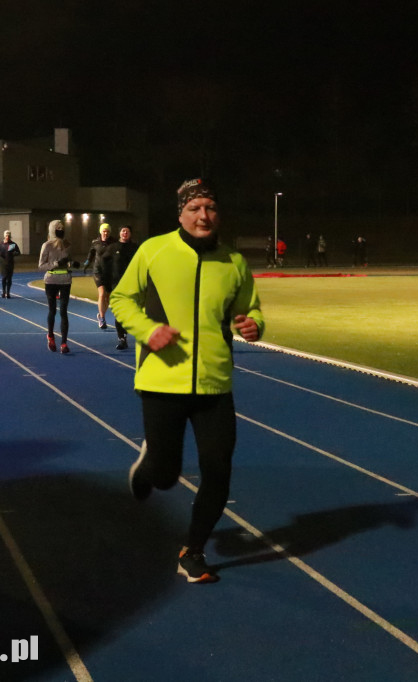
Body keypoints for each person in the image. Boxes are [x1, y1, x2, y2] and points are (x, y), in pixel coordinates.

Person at [111, 178, 264, 584]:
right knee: (165, 475)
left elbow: (251, 308)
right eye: (195, 208)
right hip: (162, 381)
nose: (203, 215)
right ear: (180, 213)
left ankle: (192, 550)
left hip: (215, 385)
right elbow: (121, 299)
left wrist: (254, 325)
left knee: (218, 470)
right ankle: (147, 470)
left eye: (210, 207)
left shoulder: (234, 262)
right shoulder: (153, 250)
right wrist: (147, 331)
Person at [38, 220, 76, 354]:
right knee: (52, 310)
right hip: (51, 280)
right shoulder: (47, 245)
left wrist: (72, 264)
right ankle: (50, 336)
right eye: (58, 228)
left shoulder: (68, 245)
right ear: (52, 230)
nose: (60, 230)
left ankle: (64, 343)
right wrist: (56, 263)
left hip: (65, 280)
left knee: (64, 312)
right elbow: (41, 266)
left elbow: (69, 260)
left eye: (62, 228)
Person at [108, 225, 139, 350]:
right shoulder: (113, 248)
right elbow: (105, 263)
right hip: (117, 285)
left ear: (130, 234)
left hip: (132, 284)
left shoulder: (135, 248)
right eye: (123, 231)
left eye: (127, 231)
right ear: (119, 233)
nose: (125, 233)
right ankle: (122, 338)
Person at [84, 223, 116, 328]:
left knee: (107, 298)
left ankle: (100, 314)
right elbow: (91, 253)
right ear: (100, 231)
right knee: (101, 294)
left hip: (109, 272)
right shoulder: (95, 242)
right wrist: (87, 263)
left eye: (107, 231)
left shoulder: (114, 242)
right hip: (98, 271)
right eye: (104, 231)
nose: (105, 233)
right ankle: (102, 319)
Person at [0, 230, 21, 298]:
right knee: (4, 278)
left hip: (10, 263)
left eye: (9, 236)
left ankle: (8, 293)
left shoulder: (12, 244)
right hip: (3, 264)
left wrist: (14, 254)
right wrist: (0, 254)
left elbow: (18, 252)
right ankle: (3, 292)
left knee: (9, 278)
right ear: (4, 236)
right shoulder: (1, 244)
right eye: (6, 235)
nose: (7, 237)